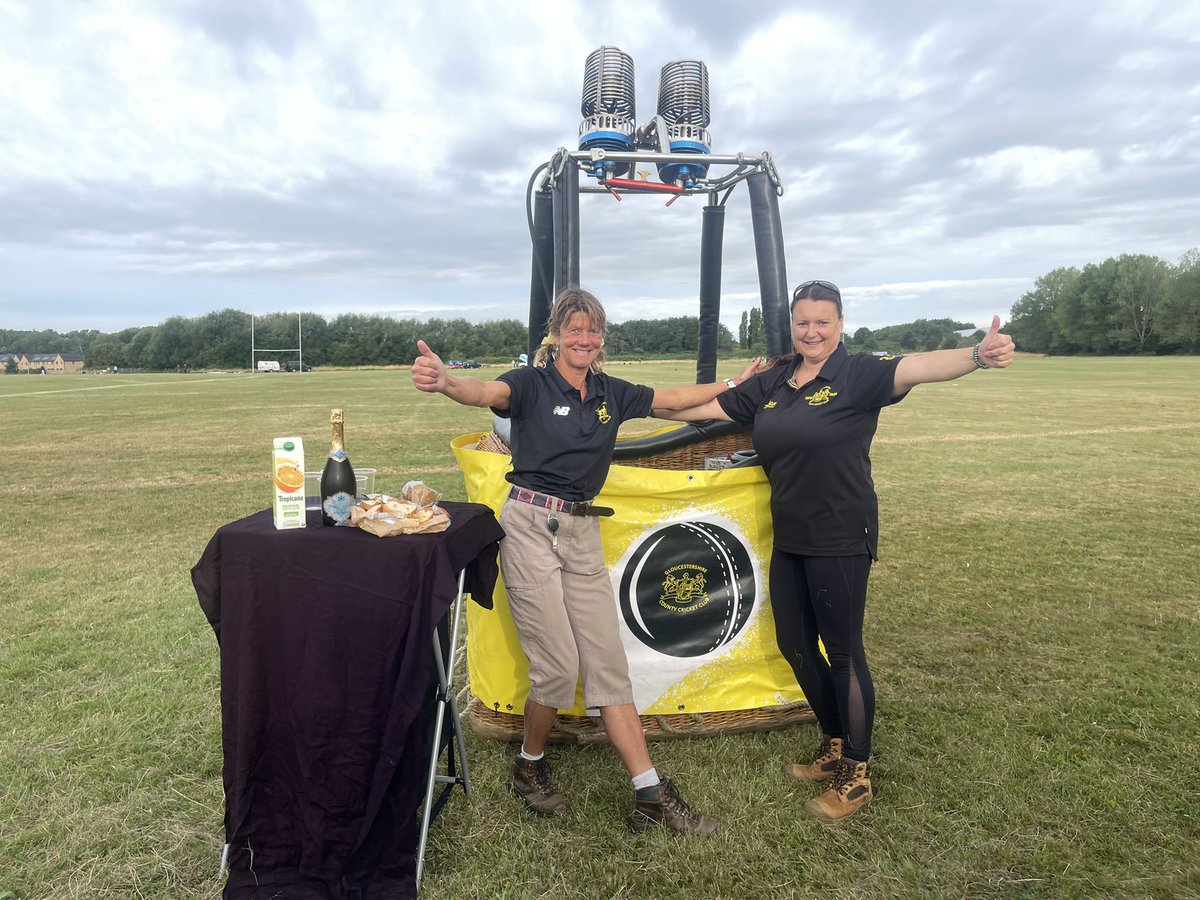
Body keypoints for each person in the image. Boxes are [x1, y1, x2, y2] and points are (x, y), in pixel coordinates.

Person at [657, 279, 1016, 820]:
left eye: (822, 322)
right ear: (792, 326)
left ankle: (857, 772)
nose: (812, 331)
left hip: (841, 534)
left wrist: (977, 355)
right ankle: (833, 742)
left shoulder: (858, 373)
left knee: (843, 651)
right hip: (792, 536)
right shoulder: (776, 381)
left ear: (840, 324)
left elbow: (919, 367)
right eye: (803, 322)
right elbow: (706, 409)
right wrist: (635, 404)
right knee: (796, 644)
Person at [411, 286, 757, 835]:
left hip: (582, 533)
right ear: (556, 335)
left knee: (607, 663)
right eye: (575, 329)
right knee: (557, 666)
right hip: (529, 527)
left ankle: (650, 793)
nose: (585, 338)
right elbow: (484, 391)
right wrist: (447, 381)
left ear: (602, 338)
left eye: (593, 330)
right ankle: (528, 766)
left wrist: (737, 385)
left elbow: (673, 399)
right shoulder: (530, 383)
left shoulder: (609, 392)